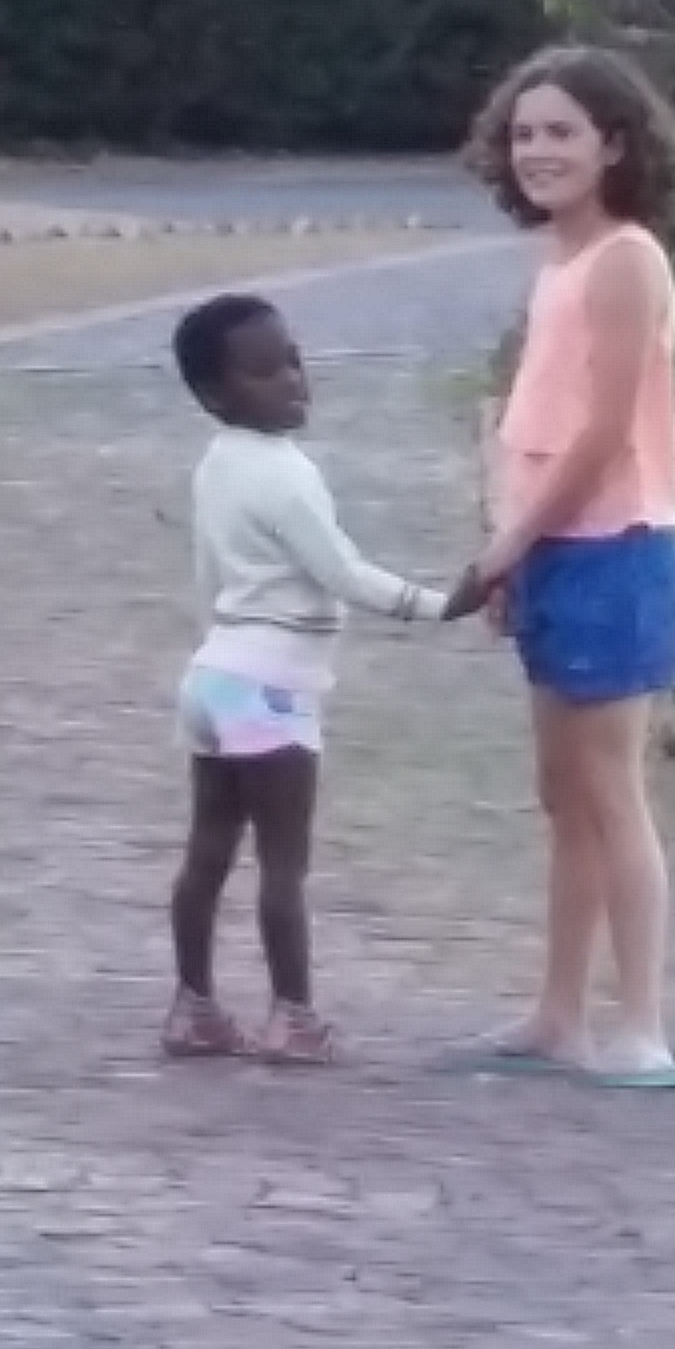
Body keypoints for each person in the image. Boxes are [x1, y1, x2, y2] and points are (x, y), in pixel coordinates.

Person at [457, 45, 675, 1091]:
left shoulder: (626, 262)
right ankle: (557, 1014)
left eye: (561, 132)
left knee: (612, 790)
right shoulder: (558, 263)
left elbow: (604, 434)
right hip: (553, 550)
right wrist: (511, 543)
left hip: (614, 548)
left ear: (614, 144)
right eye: (524, 134)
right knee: (562, 792)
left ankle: (641, 1025)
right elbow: (528, 423)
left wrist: (509, 545)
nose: (538, 151)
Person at [164, 289, 476, 1064]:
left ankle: (193, 1007)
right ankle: (293, 1017)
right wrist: (440, 606)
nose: (293, 380)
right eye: (265, 370)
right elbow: (343, 573)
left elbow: (208, 574)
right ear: (214, 394)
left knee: (208, 850)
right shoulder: (287, 475)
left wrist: (217, 644)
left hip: (214, 677)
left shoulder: (216, 465)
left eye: (294, 360)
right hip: (271, 688)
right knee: (283, 863)